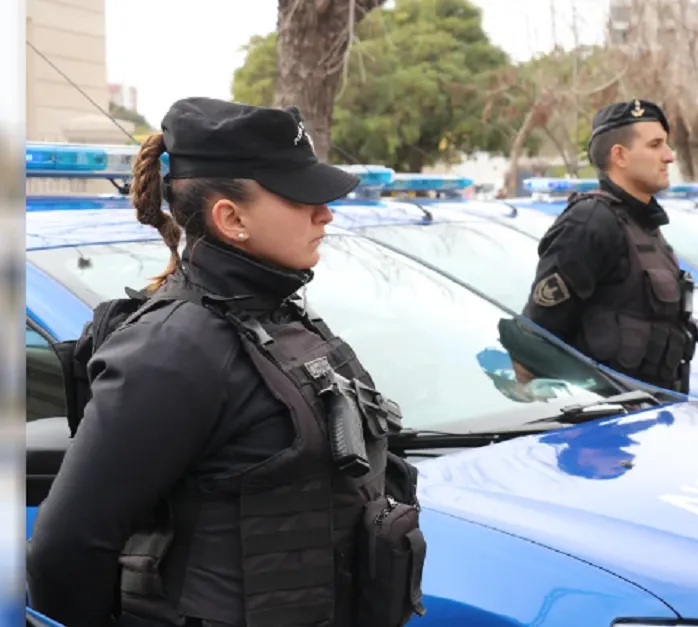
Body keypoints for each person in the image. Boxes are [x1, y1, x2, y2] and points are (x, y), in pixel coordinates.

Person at [26, 98, 426, 627]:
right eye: (303, 198)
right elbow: (65, 550)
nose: (324, 213)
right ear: (231, 218)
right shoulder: (175, 348)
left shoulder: (274, 315)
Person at [520, 98, 698, 394]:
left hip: (651, 413)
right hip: (604, 422)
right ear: (620, 156)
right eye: (655, 145)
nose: (669, 156)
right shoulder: (591, 222)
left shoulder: (643, 223)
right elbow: (536, 339)